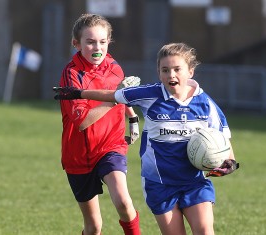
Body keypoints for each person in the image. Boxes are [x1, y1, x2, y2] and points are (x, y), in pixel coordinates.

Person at [54, 42, 240, 235]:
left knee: (205, 231)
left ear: (190, 72)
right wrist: (78, 93)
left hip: (194, 182)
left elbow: (223, 138)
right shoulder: (150, 94)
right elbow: (114, 95)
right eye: (165, 70)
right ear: (159, 73)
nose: (171, 75)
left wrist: (230, 162)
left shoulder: (206, 104)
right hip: (159, 183)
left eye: (177, 69)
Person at [55, 13, 141, 235]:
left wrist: (132, 117)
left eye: (102, 42)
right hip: (78, 155)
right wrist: (116, 98)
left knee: (123, 202)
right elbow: (83, 121)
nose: (98, 47)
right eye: (90, 41)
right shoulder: (71, 75)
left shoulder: (114, 67)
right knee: (94, 227)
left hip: (110, 146)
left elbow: (122, 95)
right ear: (76, 43)